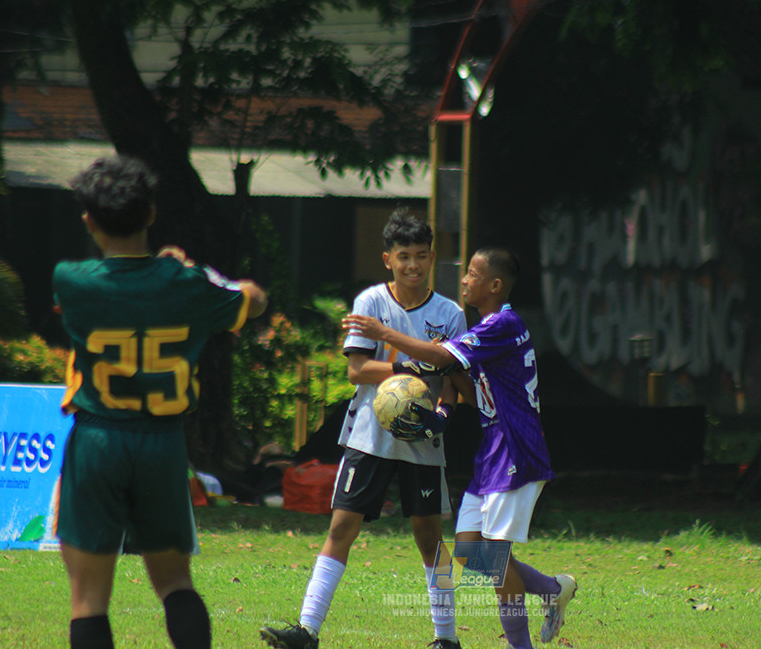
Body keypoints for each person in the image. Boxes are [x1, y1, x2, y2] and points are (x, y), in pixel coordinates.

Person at [53, 155, 268, 649]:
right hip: (162, 443)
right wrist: (197, 272)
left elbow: (87, 303)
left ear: (89, 221)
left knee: (88, 599)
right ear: (151, 213)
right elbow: (252, 299)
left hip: (98, 437)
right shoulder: (185, 283)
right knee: (175, 584)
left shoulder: (71, 278)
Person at [342, 247, 577, 649]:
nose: (465, 280)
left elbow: (438, 356)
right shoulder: (486, 327)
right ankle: (552, 590)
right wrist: (442, 414)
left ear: (495, 285)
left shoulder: (502, 324)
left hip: (515, 448)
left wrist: (384, 335)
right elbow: (463, 382)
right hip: (493, 449)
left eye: (472, 274)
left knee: (498, 563)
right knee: (469, 549)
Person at [260, 208, 467, 649]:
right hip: (370, 435)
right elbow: (357, 371)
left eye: (422, 255)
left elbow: (450, 382)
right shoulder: (371, 303)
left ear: (432, 258)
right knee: (341, 528)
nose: (413, 264)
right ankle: (307, 630)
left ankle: (446, 640)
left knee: (429, 537)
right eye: (404, 255)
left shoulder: (450, 314)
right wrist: (408, 365)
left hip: (422, 443)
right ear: (387, 258)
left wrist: (443, 415)